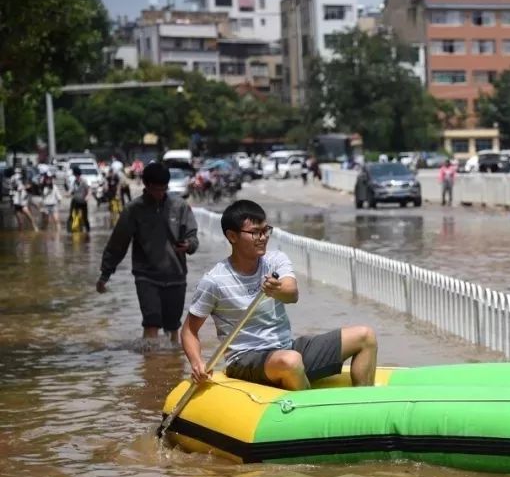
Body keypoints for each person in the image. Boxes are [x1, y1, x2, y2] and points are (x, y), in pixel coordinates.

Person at [182, 199, 378, 390]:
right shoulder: (214, 280)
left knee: (365, 336)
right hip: (245, 360)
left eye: (266, 230)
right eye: (255, 233)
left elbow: (292, 294)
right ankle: (306, 412)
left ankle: (365, 405)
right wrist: (197, 363)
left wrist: (277, 289)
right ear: (232, 236)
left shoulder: (275, 260)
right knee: (291, 361)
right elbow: (189, 330)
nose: (263, 237)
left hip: (285, 348)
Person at [96, 162, 199, 342]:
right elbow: (118, 244)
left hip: (176, 275)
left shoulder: (180, 206)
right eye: (156, 189)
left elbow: (193, 236)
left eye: (163, 189)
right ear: (146, 185)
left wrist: (189, 245)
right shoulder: (133, 210)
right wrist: (105, 273)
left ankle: (171, 364)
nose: (160, 193)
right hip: (146, 276)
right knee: (151, 323)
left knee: (173, 327)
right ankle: (149, 366)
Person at [68, 166, 91, 234]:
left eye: (76, 175)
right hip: (75, 201)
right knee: (72, 215)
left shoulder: (84, 181)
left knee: (85, 217)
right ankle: (71, 229)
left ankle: (88, 231)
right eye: (75, 175)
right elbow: (72, 190)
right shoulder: (74, 182)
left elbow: (89, 190)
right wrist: (68, 194)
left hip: (83, 201)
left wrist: (87, 196)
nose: (76, 176)